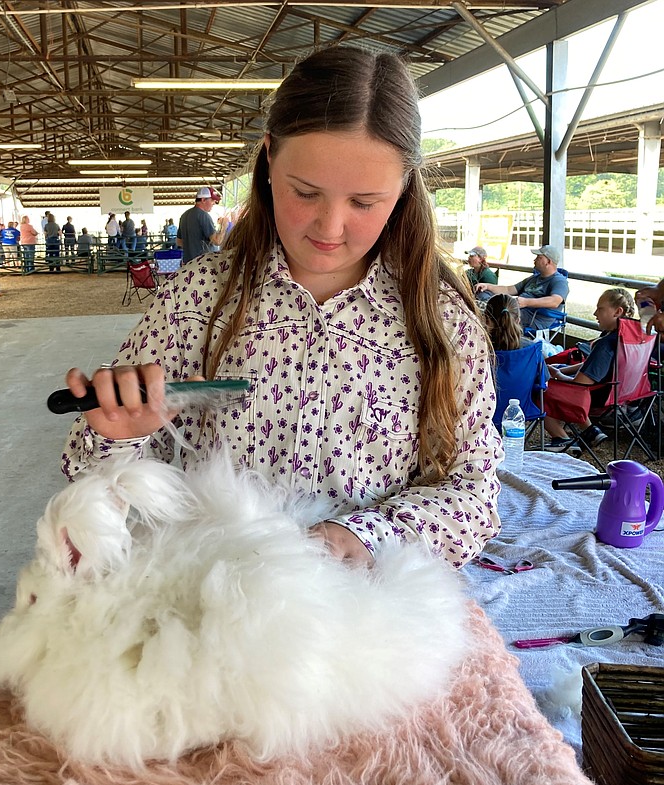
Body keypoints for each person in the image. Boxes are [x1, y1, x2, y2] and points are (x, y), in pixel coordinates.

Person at [61, 45, 502, 571]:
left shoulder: (442, 323)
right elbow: (94, 487)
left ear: (405, 185)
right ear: (269, 158)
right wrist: (113, 437)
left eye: (364, 202)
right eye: (305, 192)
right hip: (212, 601)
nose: (330, 227)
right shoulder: (197, 299)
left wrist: (366, 535)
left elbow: (473, 493)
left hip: (370, 617)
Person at [543, 287, 635, 453]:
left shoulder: (606, 344)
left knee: (539, 388)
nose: (594, 313)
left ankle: (561, 438)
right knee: (554, 377)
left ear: (617, 312)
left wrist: (557, 374)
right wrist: (564, 369)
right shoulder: (629, 337)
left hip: (596, 396)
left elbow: (580, 384)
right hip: (621, 393)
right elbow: (593, 366)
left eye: (600, 309)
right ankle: (590, 431)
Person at [475, 244, 568, 332]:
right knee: (483, 293)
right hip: (516, 309)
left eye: (539, 258)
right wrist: (487, 286)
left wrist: (526, 302)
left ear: (548, 262)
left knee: (495, 312)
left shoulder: (559, 281)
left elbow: (555, 301)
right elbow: (508, 290)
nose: (534, 260)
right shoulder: (534, 278)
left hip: (532, 317)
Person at [177, 186, 230, 263]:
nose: (214, 203)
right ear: (203, 200)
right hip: (203, 265)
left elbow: (179, 242)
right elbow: (217, 241)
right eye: (212, 200)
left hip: (188, 263)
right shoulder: (203, 215)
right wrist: (224, 226)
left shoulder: (184, 215)